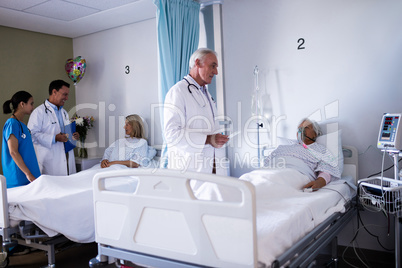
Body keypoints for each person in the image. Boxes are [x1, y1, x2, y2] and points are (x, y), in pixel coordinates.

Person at [164, 48, 229, 177]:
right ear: (198, 63)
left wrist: (217, 138)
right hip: (189, 169)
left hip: (211, 168)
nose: (216, 72)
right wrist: (209, 139)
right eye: (213, 66)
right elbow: (171, 134)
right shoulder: (178, 91)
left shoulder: (205, 93)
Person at [264, 118, 341, 190]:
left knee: (271, 184)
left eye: (306, 127)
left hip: (295, 173)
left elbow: (326, 171)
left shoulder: (321, 150)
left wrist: (319, 182)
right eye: (299, 128)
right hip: (270, 170)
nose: (301, 130)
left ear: (315, 134)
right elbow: (266, 163)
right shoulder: (282, 147)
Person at [28, 80, 79, 176]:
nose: (67, 98)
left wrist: (73, 136)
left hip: (66, 158)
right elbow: (32, 135)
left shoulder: (64, 112)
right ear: (54, 92)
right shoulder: (39, 112)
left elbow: (66, 134)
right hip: (49, 161)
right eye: (64, 94)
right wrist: (54, 138)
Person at [2, 91, 41, 188]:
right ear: (22, 104)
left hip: (29, 175)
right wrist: (28, 174)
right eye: (31, 104)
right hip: (20, 177)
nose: (33, 107)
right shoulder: (12, 123)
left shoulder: (22, 124)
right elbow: (13, 152)